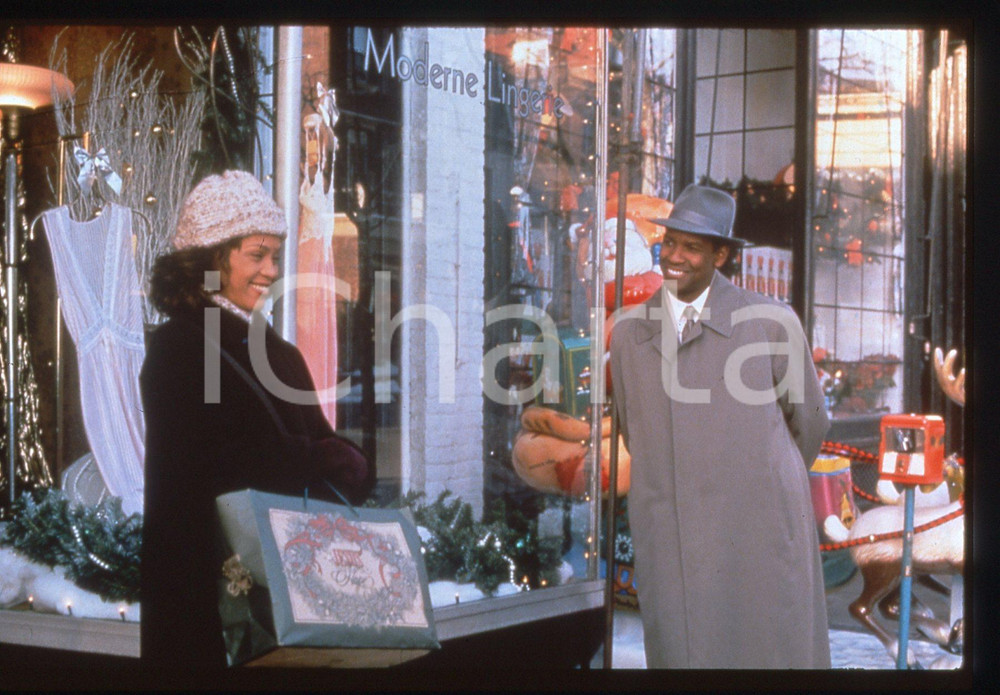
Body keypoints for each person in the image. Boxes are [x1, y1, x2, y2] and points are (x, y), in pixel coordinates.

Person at [140, 170, 372, 679]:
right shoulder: (184, 346)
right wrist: (315, 457)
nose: (270, 270)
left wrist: (346, 462)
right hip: (207, 601)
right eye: (256, 255)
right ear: (210, 260)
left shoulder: (280, 353)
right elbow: (204, 464)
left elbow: (319, 442)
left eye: (275, 255)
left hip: (289, 595)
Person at [609, 184, 831, 669]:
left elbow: (809, 423)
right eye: (670, 243)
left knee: (767, 650)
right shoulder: (628, 334)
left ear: (722, 255)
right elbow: (633, 429)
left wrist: (758, 475)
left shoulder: (771, 323)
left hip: (758, 531)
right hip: (670, 536)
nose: (675, 256)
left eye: (693, 246)